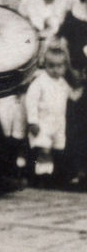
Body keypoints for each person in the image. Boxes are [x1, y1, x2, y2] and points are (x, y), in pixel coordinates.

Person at [25, 42, 81, 185]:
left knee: (56, 150)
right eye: (51, 66)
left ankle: (49, 177)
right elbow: (31, 100)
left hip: (57, 123)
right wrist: (33, 120)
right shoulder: (40, 81)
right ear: (45, 65)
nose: (55, 70)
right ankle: (39, 176)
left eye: (59, 66)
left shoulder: (62, 82)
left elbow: (73, 96)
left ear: (64, 67)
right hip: (43, 122)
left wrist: (81, 87)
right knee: (44, 150)